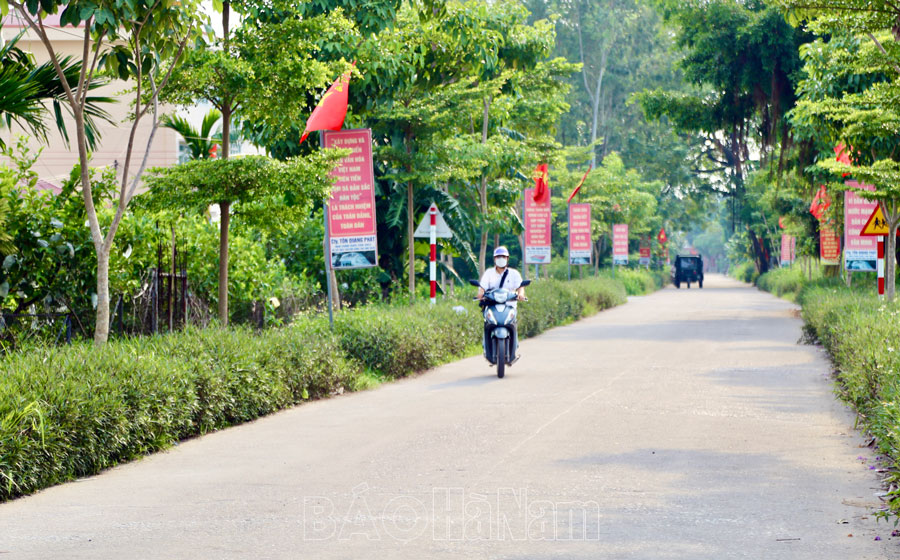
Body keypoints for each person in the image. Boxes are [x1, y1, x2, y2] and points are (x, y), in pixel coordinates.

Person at [477, 246, 527, 360]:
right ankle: (486, 347)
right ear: (494, 259)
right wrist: (480, 295)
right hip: (492, 307)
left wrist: (521, 294)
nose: (501, 259)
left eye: (503, 256)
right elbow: (482, 288)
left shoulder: (514, 273)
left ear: (507, 259)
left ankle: (514, 348)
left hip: (509, 307)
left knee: (513, 324)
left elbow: (520, 287)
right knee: (487, 324)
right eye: (498, 256)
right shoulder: (489, 273)